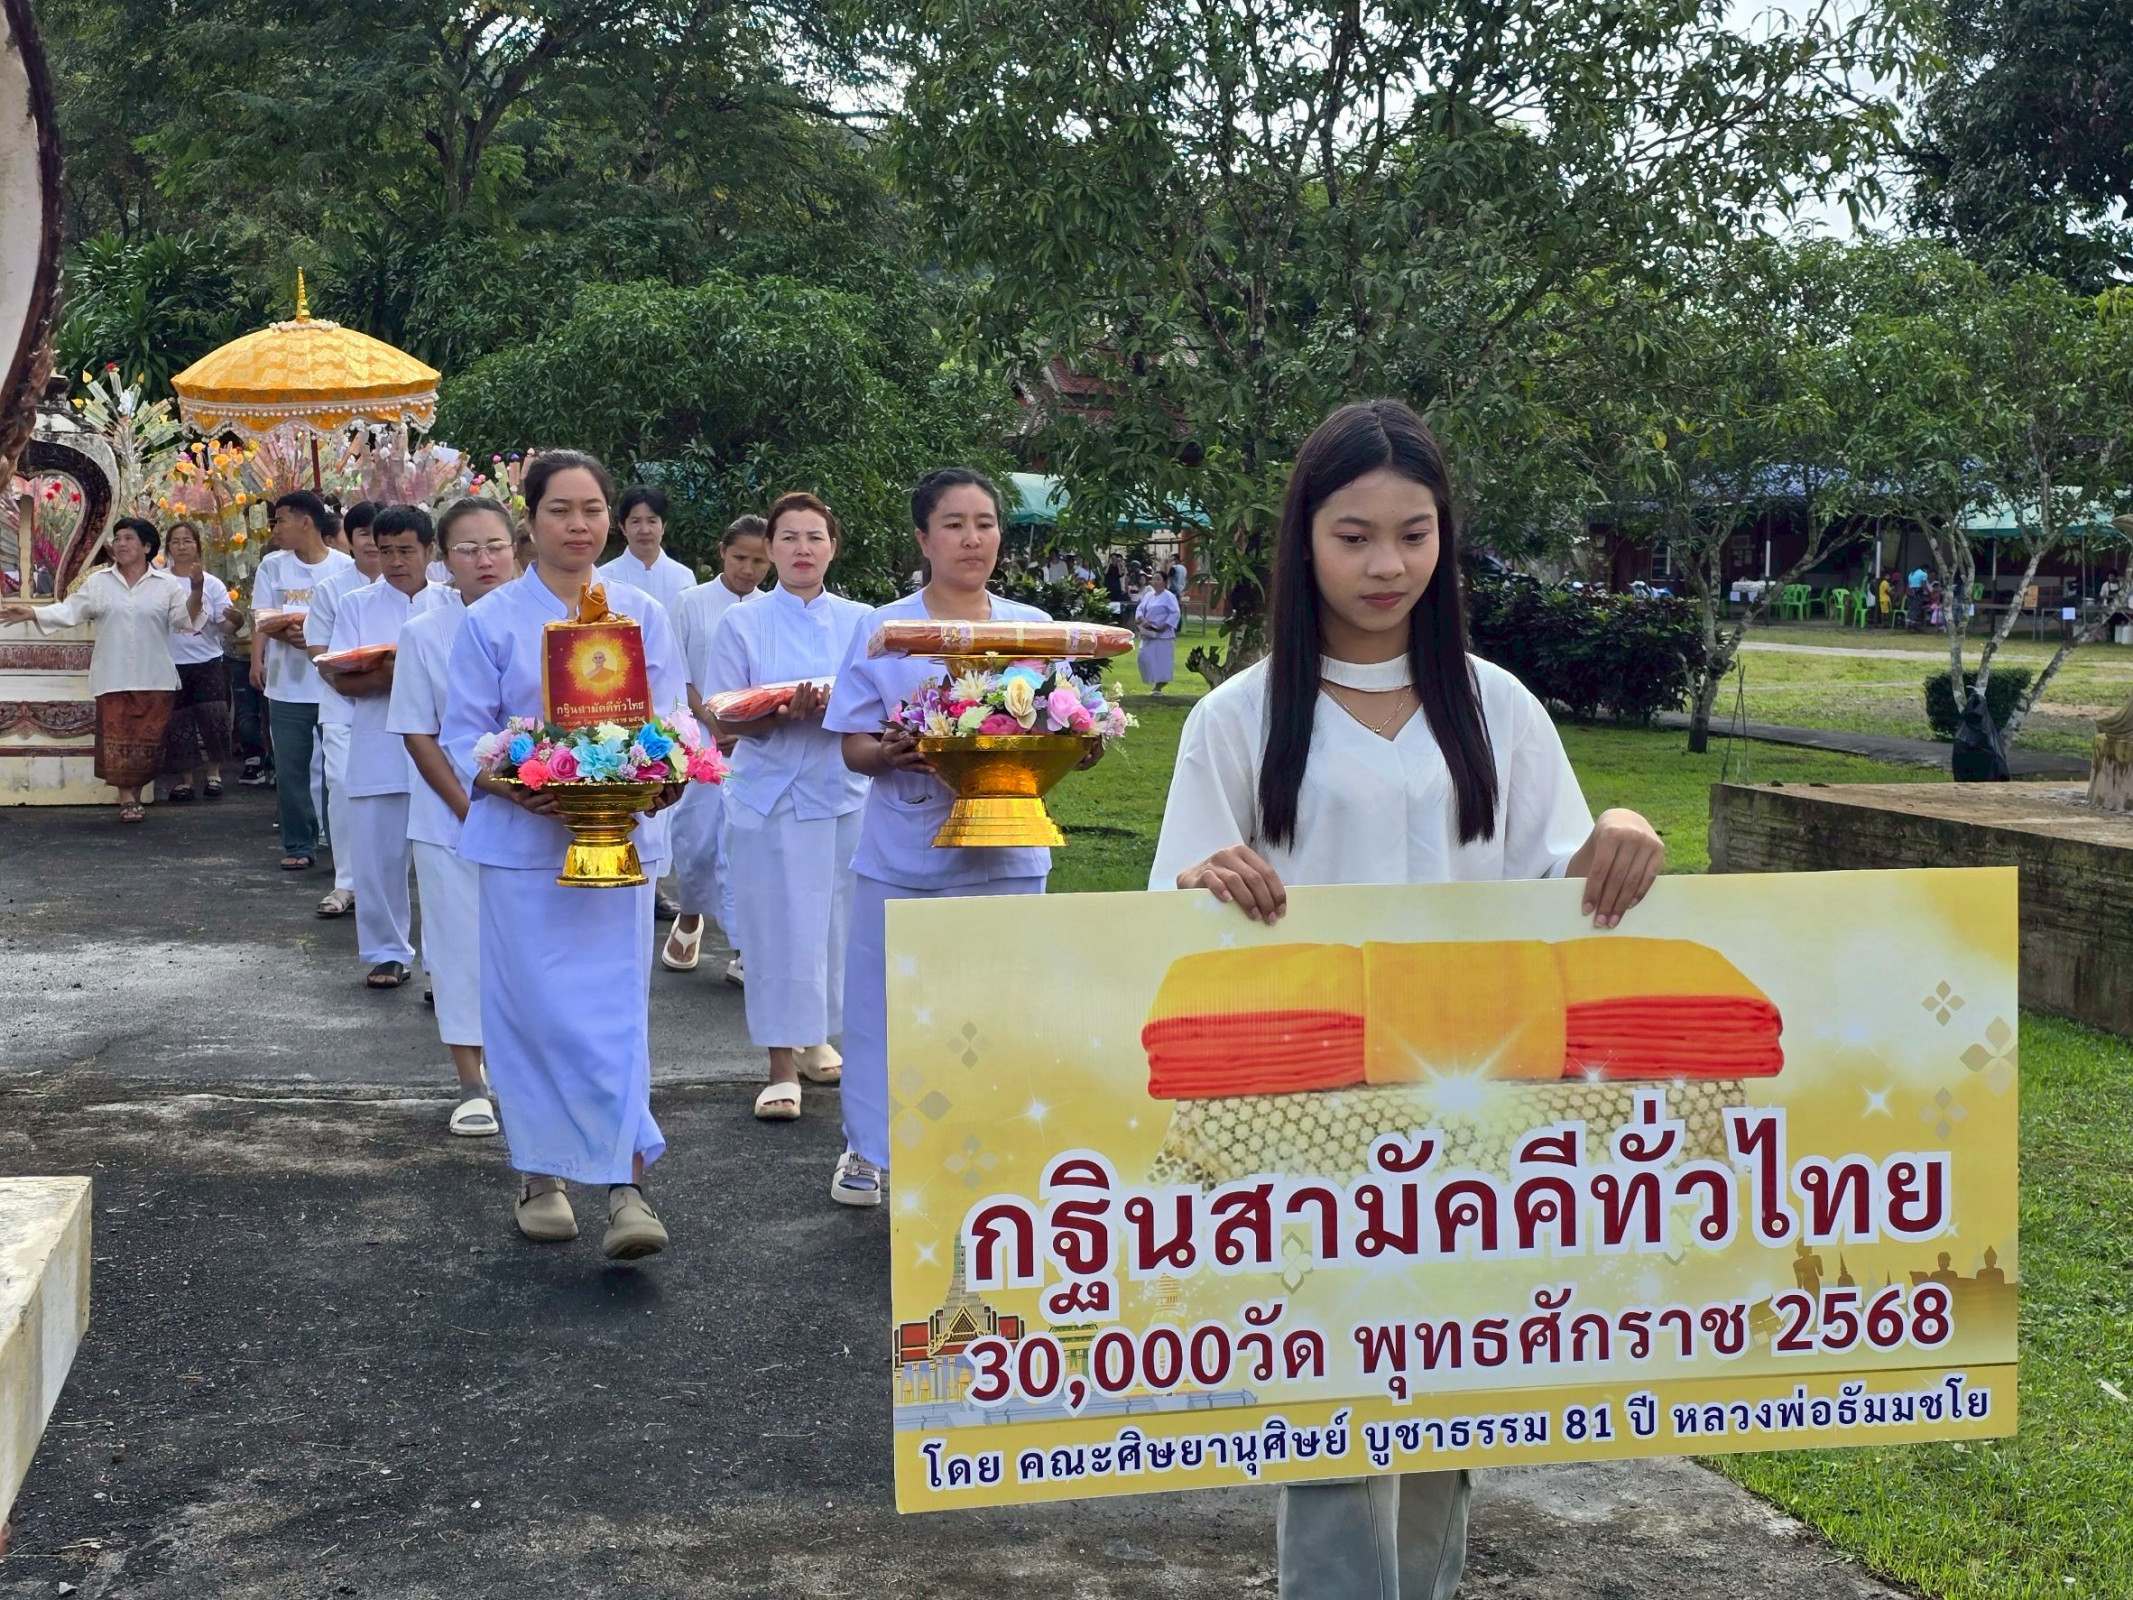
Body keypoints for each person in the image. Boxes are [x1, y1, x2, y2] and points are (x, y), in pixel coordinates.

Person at [1148, 399, 1666, 1600]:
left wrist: (1625, 830)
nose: (1387, 565)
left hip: (1471, 1123)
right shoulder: (1239, 717)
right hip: (1304, 1128)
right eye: (1354, 535)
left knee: (1445, 1418)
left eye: (1414, 533)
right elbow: (1172, 915)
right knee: (1333, 1428)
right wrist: (1200, 878)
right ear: (1303, 541)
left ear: (1445, 541)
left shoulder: (1498, 708)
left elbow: (1567, 877)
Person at [441, 450, 688, 1260]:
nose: (577, 525)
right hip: (523, 848)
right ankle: (540, 1174)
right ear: (530, 520)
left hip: (617, 845)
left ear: (610, 518)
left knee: (615, 1015)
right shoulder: (486, 621)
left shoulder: (645, 614)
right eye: (559, 510)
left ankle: (626, 1188)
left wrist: (668, 774)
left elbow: (674, 718)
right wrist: (515, 782)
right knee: (534, 1013)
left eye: (591, 509)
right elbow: (462, 733)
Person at [822, 467, 1062, 1208]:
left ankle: (989, 1148)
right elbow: (851, 743)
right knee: (882, 1008)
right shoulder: (885, 629)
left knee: (996, 1007)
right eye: (954, 524)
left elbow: (1059, 721)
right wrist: (889, 752)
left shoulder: (1032, 627)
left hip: (1005, 851)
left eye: (985, 523)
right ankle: (870, 1150)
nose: (972, 538)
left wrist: (1071, 743)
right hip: (905, 849)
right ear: (923, 538)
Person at [704, 493, 871, 1120]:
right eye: (790, 538)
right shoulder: (742, 622)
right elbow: (723, 716)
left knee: (835, 922)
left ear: (833, 547)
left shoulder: (862, 621)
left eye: (815, 537)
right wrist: (775, 714)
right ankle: (778, 1062)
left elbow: (882, 707)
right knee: (775, 927)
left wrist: (837, 711)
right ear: (770, 549)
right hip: (766, 794)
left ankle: (817, 1036)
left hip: (842, 791)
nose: (803, 549)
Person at [389, 496, 518, 1137]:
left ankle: (528, 1071)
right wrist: (468, 809)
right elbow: (418, 732)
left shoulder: (549, 623)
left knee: (529, 949)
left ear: (516, 549)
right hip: (451, 818)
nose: (483, 560)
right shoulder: (424, 632)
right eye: (466, 549)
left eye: (494, 546)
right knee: (458, 945)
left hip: (538, 816)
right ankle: (472, 1080)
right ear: (444, 559)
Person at [1, 516, 206, 822]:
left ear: (147, 546)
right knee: (116, 739)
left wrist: (197, 591)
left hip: (155, 676)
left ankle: (136, 792)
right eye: (117, 538)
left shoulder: (166, 586)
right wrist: (32, 612)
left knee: (147, 742)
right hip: (113, 674)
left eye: (128, 539)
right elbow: (69, 612)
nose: (120, 544)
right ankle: (126, 798)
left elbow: (185, 621)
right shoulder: (98, 583)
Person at [318, 505, 440, 991]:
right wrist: (400, 673)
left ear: (430, 552)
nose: (394, 561)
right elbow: (346, 680)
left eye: (406, 550)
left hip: (440, 751)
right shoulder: (357, 605)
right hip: (378, 743)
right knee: (378, 858)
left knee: (443, 864)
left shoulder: (454, 604)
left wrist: (391, 672)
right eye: (384, 550)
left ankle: (444, 963)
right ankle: (387, 951)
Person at [663, 515, 771, 979]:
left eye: (759, 561)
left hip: (756, 741)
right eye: (740, 557)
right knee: (699, 838)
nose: (748, 569)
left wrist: (746, 726)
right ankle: (691, 914)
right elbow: (678, 674)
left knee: (749, 844)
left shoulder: (772, 609)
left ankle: (746, 946)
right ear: (722, 552)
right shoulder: (690, 603)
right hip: (700, 738)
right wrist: (713, 721)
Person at [252, 491, 354, 870]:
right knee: (292, 768)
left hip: (333, 682)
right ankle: (298, 843)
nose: (275, 528)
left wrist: (315, 638)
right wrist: (279, 638)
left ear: (306, 522)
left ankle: (339, 839)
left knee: (337, 769)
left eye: (280, 520)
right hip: (287, 684)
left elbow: (354, 617)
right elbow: (262, 615)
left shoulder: (345, 568)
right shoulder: (272, 567)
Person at [305, 502, 381, 914]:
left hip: (403, 709)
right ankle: (347, 882)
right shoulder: (332, 589)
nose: (371, 542)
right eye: (363, 533)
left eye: (377, 533)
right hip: (343, 703)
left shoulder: (415, 587)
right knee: (341, 784)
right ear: (348, 539)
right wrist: (352, 678)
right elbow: (318, 649)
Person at [157, 520, 239, 801]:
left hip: (207, 660)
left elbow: (224, 626)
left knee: (214, 718)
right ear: (168, 547)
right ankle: (186, 779)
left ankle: (214, 774)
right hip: (171, 661)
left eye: (187, 541)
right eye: (176, 541)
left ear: (197, 547)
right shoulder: (158, 581)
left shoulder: (213, 584)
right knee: (178, 723)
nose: (181, 546)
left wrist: (235, 623)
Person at [596, 484, 698, 614]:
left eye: (652, 521)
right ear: (623, 528)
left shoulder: (683, 577)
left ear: (663, 526)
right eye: (636, 521)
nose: (644, 530)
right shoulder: (604, 577)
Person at [1135, 576, 1181, 694]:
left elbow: (1175, 613)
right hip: (1148, 632)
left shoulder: (1169, 596)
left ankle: (1158, 687)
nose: (1155, 582)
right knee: (1144, 657)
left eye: (1158, 579)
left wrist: (1164, 625)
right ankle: (1150, 679)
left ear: (1165, 582)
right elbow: (1140, 609)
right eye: (1153, 579)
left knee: (1162, 662)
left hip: (1163, 635)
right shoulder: (1148, 595)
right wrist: (1142, 619)